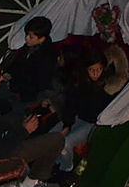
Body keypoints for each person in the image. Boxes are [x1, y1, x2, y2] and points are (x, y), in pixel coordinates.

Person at [0, 58, 63, 187]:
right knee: (57, 140)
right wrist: (25, 131)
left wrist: (16, 123)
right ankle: (31, 186)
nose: (1, 79)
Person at [49, 48, 116, 176]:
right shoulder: (79, 82)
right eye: (92, 70)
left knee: (66, 143)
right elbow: (70, 105)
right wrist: (67, 125)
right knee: (52, 136)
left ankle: (66, 169)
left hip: (95, 123)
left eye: (99, 69)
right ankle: (54, 163)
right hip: (79, 118)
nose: (96, 73)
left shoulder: (109, 86)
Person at [3, 16, 57, 104]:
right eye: (27, 35)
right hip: (15, 87)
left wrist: (15, 83)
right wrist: (9, 73)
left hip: (28, 97)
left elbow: (39, 83)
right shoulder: (29, 47)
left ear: (42, 39)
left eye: (31, 37)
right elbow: (18, 64)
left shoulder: (48, 56)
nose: (26, 38)